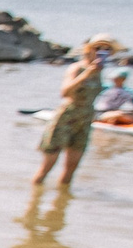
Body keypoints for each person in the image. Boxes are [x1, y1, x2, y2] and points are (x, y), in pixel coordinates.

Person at [36, 33, 118, 185]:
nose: (102, 51)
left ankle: (61, 204)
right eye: (98, 48)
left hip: (85, 119)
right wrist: (87, 73)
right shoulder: (77, 68)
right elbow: (65, 92)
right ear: (89, 49)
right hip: (67, 116)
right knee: (47, 166)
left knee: (72, 167)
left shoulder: (100, 72)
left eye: (106, 49)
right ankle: (33, 203)